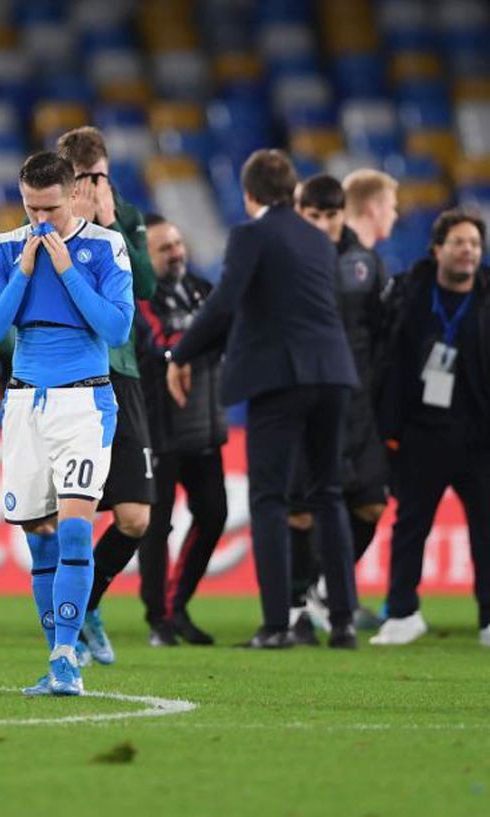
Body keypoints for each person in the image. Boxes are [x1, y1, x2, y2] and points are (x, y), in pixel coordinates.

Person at [166, 149, 360, 649]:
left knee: (270, 499)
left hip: (282, 378)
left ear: (249, 194)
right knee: (329, 494)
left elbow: (224, 303)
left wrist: (179, 355)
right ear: (295, 194)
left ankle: (276, 624)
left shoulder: (250, 234)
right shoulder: (318, 240)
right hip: (334, 373)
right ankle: (342, 621)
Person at [0, 151, 133, 695]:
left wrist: (65, 269)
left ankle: (67, 656)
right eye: (28, 207)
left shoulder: (106, 246)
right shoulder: (5, 248)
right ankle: (59, 654)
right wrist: (23, 272)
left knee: (73, 527)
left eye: (49, 207)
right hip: (23, 404)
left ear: (72, 196)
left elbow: (115, 329)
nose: (38, 219)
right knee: (38, 538)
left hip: (83, 403)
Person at [55, 126, 157, 665]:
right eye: (93, 179)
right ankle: (65, 624)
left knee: (135, 517)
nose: (101, 187)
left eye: (105, 177)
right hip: (67, 377)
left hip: (122, 375)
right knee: (70, 511)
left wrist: (112, 224)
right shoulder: (47, 225)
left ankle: (86, 604)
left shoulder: (130, 217)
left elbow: (146, 288)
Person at [372, 210, 490, 647]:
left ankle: (489, 619)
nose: (468, 251)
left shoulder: (487, 295)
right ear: (437, 248)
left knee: (487, 529)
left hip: (480, 436)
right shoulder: (410, 295)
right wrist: (387, 427)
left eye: (475, 244)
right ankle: (402, 613)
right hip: (421, 431)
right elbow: (389, 363)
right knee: (410, 526)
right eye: (459, 242)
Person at [288, 172, 396, 642]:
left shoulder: (364, 262)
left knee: (371, 504)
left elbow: (381, 330)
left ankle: (324, 585)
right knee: (304, 510)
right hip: (305, 400)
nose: (324, 223)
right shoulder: (285, 258)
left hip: (358, 404)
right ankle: (296, 605)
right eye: (315, 215)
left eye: (329, 214)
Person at [135, 214, 228, 647]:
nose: (175, 252)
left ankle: (177, 602)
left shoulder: (201, 289)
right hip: (159, 431)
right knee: (156, 526)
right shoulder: (142, 298)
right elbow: (161, 341)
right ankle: (160, 618)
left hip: (204, 426)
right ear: (145, 256)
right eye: (164, 248)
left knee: (213, 515)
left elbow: (228, 331)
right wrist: (193, 342)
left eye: (176, 243)